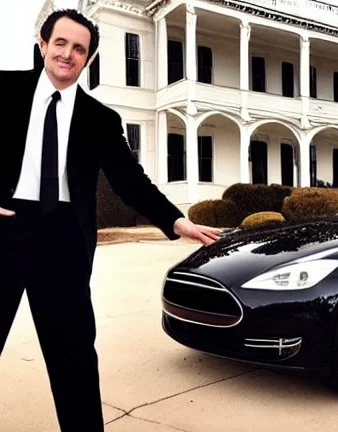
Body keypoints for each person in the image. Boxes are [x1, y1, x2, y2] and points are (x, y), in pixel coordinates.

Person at [0, 9, 221, 431]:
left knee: (74, 360)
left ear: (89, 59)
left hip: (62, 241)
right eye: (60, 43)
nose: (68, 54)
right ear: (43, 45)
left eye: (79, 48)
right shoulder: (4, 90)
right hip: (4, 230)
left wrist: (176, 221)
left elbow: (130, 182)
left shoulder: (99, 119)